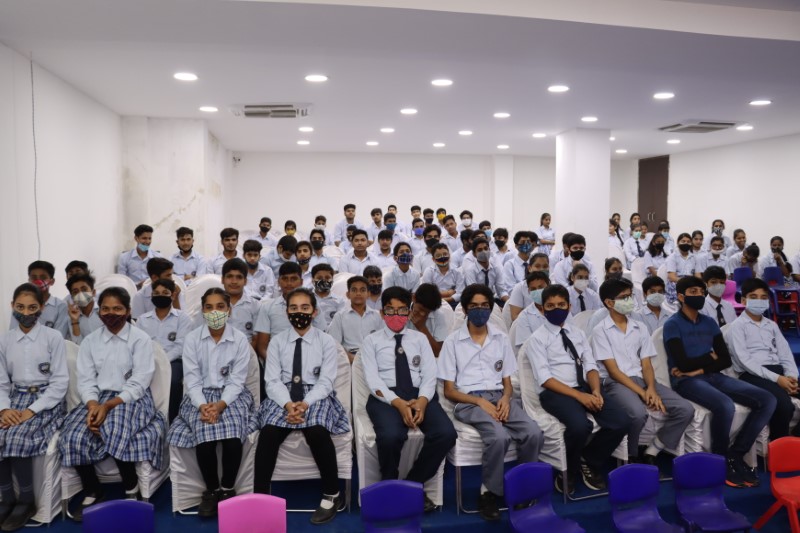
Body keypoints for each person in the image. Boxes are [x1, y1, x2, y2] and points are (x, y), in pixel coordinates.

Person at [59, 287, 166, 520]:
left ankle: (131, 488)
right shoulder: (90, 341)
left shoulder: (140, 339)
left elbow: (139, 382)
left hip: (132, 398)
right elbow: (86, 380)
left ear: (128, 311)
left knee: (114, 427)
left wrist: (107, 407)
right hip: (97, 399)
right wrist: (92, 406)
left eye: (117, 308)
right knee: (72, 434)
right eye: (105, 309)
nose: (110, 313)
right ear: (99, 312)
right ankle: (93, 489)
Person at [439, 283, 542, 520]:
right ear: (464, 310)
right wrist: (479, 402)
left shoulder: (500, 338)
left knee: (533, 432)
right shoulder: (453, 342)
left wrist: (506, 399)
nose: (480, 310)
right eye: (474, 306)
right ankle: (489, 492)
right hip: (467, 401)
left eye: (484, 305)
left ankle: (522, 487)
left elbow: (507, 381)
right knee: (498, 436)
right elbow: (449, 391)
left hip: (499, 397)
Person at [663, 276, 776, 488]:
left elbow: (724, 359)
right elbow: (683, 364)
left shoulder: (709, 322)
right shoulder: (672, 325)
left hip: (714, 375)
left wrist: (702, 366)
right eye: (693, 292)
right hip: (686, 382)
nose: (699, 295)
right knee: (724, 405)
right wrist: (709, 359)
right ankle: (721, 458)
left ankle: (737, 452)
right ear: (680, 296)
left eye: (701, 291)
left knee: (767, 399)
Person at [253, 288, 349, 525]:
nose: (299, 313)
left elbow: (326, 381)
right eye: (293, 308)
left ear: (314, 312)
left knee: (316, 430)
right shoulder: (276, 342)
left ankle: (331, 494)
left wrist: (304, 404)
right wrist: (288, 404)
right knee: (268, 432)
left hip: (315, 395)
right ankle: (261, 497)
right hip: (283, 395)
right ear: (287, 313)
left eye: (304, 308)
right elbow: (272, 380)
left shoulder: (326, 341)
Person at [524, 284, 630, 494]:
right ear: (543, 309)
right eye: (551, 306)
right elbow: (545, 379)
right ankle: (568, 472)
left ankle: (589, 459)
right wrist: (580, 397)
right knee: (580, 426)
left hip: (584, 387)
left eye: (561, 305)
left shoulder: (578, 334)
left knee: (621, 421)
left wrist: (596, 391)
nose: (557, 309)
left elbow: (590, 366)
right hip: (555, 392)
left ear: (569, 306)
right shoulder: (537, 339)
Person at [360, 287, 456, 514]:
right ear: (382, 313)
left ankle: (413, 485)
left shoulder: (420, 338)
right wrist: (399, 403)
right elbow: (373, 381)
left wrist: (422, 401)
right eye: (390, 310)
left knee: (446, 434)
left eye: (402, 310)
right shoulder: (371, 341)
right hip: (385, 398)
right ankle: (389, 484)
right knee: (391, 436)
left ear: (409, 310)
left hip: (419, 394)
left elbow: (429, 374)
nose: (396, 315)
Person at [167, 288, 254, 518]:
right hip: (199, 397)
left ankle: (227, 489)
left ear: (229, 310)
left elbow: (237, 381)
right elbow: (192, 379)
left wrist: (221, 405)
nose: (214, 311)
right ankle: (211, 490)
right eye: (209, 307)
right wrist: (203, 406)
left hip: (231, 396)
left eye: (220, 306)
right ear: (203, 311)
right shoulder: (193, 339)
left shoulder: (240, 341)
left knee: (233, 437)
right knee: (204, 435)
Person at [592, 278, 694, 471]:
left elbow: (646, 364)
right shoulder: (600, 331)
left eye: (630, 295)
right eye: (624, 297)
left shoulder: (640, 327)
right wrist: (642, 392)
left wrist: (652, 389)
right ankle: (631, 455)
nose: (629, 300)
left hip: (643, 380)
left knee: (685, 409)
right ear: (609, 303)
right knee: (637, 413)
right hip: (616, 382)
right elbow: (613, 371)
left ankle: (653, 449)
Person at [0, 283, 68, 530]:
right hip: (13, 399)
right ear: (12, 307)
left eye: (32, 307)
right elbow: (1, 382)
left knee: (17, 436)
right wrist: (4, 409)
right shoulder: (5, 340)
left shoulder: (53, 337)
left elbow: (60, 382)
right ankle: (7, 499)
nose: (25, 313)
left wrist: (32, 410)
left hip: (45, 400)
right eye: (20, 307)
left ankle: (26, 500)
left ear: (41, 309)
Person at [729, 278, 800, 439]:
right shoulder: (737, 326)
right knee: (783, 405)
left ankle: (795, 439)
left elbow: (785, 353)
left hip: (778, 372)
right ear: (743, 300)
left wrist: (791, 377)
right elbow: (744, 361)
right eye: (754, 297)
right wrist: (778, 379)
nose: (759, 301)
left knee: (789, 394)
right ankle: (779, 446)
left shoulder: (772, 325)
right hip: (752, 375)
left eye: (763, 297)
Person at [134, 278, 193, 422]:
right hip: (146, 361)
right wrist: (150, 361)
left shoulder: (182, 318)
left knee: (172, 383)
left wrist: (162, 361)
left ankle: (171, 420)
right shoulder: (142, 320)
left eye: (165, 293)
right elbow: (137, 345)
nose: (160, 295)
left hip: (174, 361)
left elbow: (180, 346)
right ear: (152, 296)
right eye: (156, 293)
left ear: (172, 295)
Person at [326, 276, 382, 363]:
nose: (358, 293)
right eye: (354, 290)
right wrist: (351, 358)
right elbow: (334, 344)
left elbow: (383, 342)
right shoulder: (340, 316)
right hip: (349, 361)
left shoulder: (377, 316)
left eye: (362, 290)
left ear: (368, 294)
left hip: (375, 359)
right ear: (348, 294)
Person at [10, 261, 69, 338]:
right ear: (29, 280)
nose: (38, 281)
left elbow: (59, 336)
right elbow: (13, 332)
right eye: (34, 278)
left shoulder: (61, 306)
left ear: (52, 281)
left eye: (43, 277)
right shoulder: (20, 304)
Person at [216, 259, 260, 348]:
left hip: (247, 355)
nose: (234, 282)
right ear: (222, 280)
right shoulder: (212, 305)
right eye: (230, 276)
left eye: (239, 277)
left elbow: (256, 339)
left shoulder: (255, 306)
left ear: (245, 281)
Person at [462, 238, 509, 306]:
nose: (484, 252)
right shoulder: (470, 270)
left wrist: (509, 302)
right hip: (476, 301)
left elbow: (501, 291)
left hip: (492, 299)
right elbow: (474, 293)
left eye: (486, 248)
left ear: (489, 250)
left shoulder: (495, 267)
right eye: (479, 250)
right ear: (474, 254)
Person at [407, 284, 449, 357]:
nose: (423, 314)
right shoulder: (402, 310)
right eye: (420, 309)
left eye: (427, 312)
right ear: (414, 298)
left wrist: (422, 328)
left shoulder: (438, 315)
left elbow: (438, 352)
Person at [507, 253, 550, 322]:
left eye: (545, 266)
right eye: (537, 266)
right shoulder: (520, 287)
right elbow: (515, 317)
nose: (541, 269)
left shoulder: (554, 287)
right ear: (530, 268)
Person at [513, 271, 551, 349]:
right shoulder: (524, 316)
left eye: (541, 287)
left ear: (548, 287)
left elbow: (571, 335)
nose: (537, 291)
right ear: (529, 291)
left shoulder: (561, 309)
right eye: (533, 289)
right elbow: (526, 347)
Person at [66, 274, 103, 345]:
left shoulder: (104, 310)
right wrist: (74, 321)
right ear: (72, 297)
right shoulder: (72, 316)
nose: (80, 294)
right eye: (75, 292)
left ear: (93, 292)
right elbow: (77, 344)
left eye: (84, 289)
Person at [665, 232, 698, 303]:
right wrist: (686, 283)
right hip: (677, 282)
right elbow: (671, 277)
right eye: (683, 241)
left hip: (690, 282)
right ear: (678, 243)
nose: (686, 243)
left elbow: (697, 275)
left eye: (688, 242)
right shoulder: (672, 257)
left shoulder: (694, 257)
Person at [311, 264, 343, 328]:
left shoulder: (339, 301)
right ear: (313, 280)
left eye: (327, 278)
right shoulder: (307, 299)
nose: (323, 280)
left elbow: (340, 322)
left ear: (333, 280)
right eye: (319, 278)